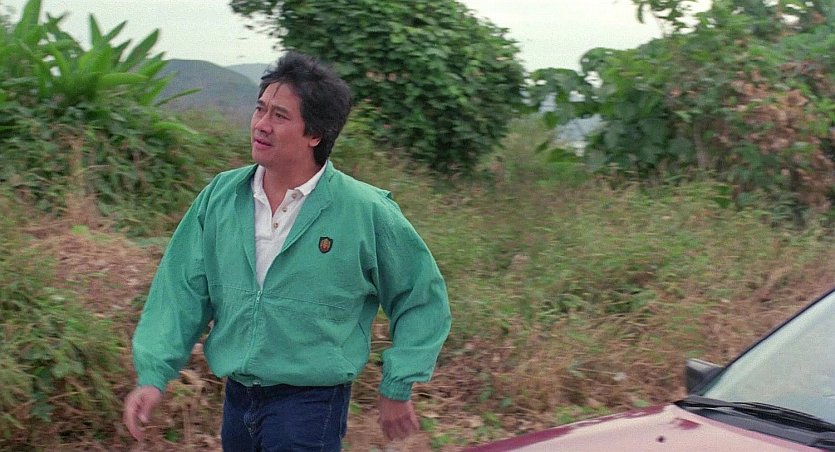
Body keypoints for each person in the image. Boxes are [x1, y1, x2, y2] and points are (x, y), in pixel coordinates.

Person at [123, 51, 451, 451]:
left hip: (310, 406)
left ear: (315, 133)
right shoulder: (221, 197)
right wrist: (153, 374)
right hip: (237, 398)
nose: (261, 124)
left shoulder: (364, 211)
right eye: (259, 109)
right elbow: (180, 291)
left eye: (279, 116)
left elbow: (419, 296)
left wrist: (398, 382)